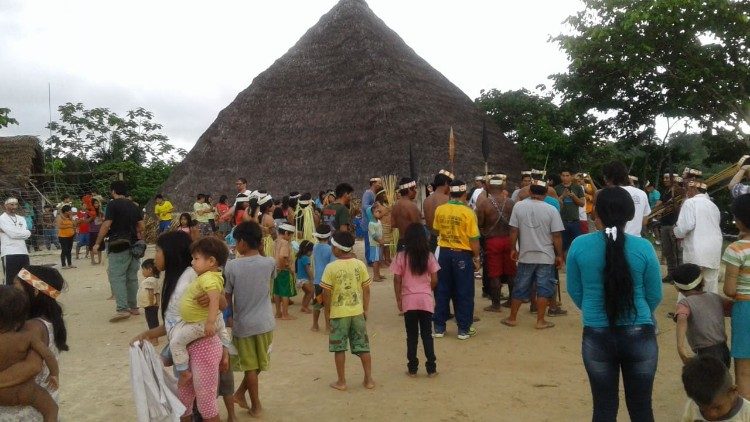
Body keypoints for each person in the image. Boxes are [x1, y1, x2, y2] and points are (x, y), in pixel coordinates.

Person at [566, 186, 662, 421]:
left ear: (595, 214)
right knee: (641, 409)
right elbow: (654, 295)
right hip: (640, 332)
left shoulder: (579, 245)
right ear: (630, 214)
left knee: (603, 408)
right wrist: (639, 313)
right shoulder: (644, 247)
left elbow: (575, 290)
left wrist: (592, 310)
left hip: (596, 334)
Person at [130, 231, 228, 422]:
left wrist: (224, 346)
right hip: (187, 347)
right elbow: (174, 322)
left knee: (205, 407)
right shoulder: (177, 280)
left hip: (202, 347)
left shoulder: (194, 277)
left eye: (157, 250)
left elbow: (218, 308)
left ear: (170, 252)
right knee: (184, 404)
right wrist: (146, 334)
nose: (155, 255)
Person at [0, 265, 69, 421]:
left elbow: (32, 366)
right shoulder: (49, 319)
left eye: (16, 287)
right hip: (41, 402)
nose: (12, 291)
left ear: (35, 291)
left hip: (23, 411)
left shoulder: (32, 327)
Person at [224, 221, 276, 418]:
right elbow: (270, 274)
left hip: (243, 324)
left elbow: (227, 296)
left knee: (250, 365)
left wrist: (228, 318)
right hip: (265, 322)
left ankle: (255, 404)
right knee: (259, 363)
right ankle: (243, 396)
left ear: (243, 242)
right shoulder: (269, 262)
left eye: (237, 241)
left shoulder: (232, 266)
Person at [501, 181, 564, 329]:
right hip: (546, 256)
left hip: (526, 255)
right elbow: (557, 236)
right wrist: (559, 255)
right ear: (546, 193)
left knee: (520, 286)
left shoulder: (519, 206)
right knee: (543, 288)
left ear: (530, 192)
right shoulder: (551, 209)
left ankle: (512, 318)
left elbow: (513, 230)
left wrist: (513, 248)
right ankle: (540, 321)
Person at [170, 237, 228, 389]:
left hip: (200, 324)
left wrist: (209, 322)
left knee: (176, 343)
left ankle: (183, 372)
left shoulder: (208, 278)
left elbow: (215, 299)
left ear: (211, 261)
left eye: (196, 259)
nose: (192, 262)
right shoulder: (207, 276)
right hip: (197, 322)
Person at [321, 231, 374, 391]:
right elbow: (366, 290)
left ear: (337, 249)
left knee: (339, 349)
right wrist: (365, 309)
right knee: (363, 347)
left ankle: (342, 381)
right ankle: (368, 379)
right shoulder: (360, 265)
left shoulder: (330, 268)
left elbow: (326, 294)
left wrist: (327, 316)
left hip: (338, 314)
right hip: (357, 312)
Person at [432, 180, 481, 340]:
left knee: (442, 289)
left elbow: (436, 229)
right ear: (464, 194)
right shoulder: (468, 212)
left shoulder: (440, 209)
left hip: (444, 253)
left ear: (449, 193)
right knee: (464, 291)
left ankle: (439, 327)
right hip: (462, 254)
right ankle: (464, 329)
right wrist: (476, 257)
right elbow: (474, 239)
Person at [391, 223, 439, 377]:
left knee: (411, 335)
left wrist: (399, 298)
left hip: (408, 300)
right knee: (427, 334)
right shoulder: (429, 256)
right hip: (425, 299)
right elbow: (435, 279)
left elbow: (397, 279)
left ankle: (412, 368)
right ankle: (431, 368)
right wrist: (426, 290)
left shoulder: (401, 256)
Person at [93, 181, 145, 323]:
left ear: (113, 191)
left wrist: (97, 242)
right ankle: (133, 307)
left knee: (116, 276)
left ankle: (122, 309)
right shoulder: (134, 206)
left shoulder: (112, 205)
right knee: (131, 277)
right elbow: (141, 226)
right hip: (134, 245)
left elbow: (107, 224)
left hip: (118, 244)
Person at [673, 263, 731, 367]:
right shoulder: (715, 297)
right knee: (723, 380)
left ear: (677, 288)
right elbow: (735, 309)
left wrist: (681, 348)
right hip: (724, 350)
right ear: (703, 281)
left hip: (705, 354)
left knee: (706, 382)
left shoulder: (684, 303)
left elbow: (681, 319)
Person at [674, 181, 723, 297]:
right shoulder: (713, 206)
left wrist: (676, 232)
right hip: (714, 248)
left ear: (693, 189)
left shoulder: (690, 202)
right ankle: (711, 309)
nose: (687, 192)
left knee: (689, 281)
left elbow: (686, 226)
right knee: (710, 282)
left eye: (688, 190)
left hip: (696, 248)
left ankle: (687, 309)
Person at [723, 193, 750, 398]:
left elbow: (730, 290)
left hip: (745, 310)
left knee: (744, 370)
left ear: (739, 221)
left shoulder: (736, 249)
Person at [476, 176, 515, 312]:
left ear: (488, 186)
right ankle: (511, 301)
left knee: (494, 273)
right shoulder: (510, 202)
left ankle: (496, 304)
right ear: (503, 187)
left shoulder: (484, 204)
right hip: (509, 239)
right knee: (511, 272)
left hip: (492, 241)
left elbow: (479, 224)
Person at [681, 355, 750, 422]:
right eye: (703, 408)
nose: (711, 414)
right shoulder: (693, 406)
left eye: (717, 407)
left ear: (733, 391)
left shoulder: (746, 412)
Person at [599, 161, 650, 237]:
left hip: (610, 239)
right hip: (635, 240)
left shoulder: (604, 194)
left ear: (607, 177)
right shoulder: (642, 193)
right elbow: (645, 221)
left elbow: (597, 220)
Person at [659, 173, 685, 283]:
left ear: (673, 179)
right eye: (664, 178)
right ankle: (671, 274)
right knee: (668, 251)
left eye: (667, 178)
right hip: (664, 223)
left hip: (674, 224)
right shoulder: (666, 192)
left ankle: (679, 275)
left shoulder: (679, 190)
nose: (664, 180)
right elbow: (659, 204)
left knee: (677, 251)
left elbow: (679, 206)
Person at [0, 197, 31, 285]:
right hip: (9, 253)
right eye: (11, 204)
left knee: (26, 280)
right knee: (10, 280)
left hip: (23, 252)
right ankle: (8, 299)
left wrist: (25, 233)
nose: (14, 206)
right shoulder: (2, 218)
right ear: (5, 206)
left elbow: (27, 234)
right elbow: (12, 234)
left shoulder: (21, 218)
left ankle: (24, 298)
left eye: (16, 204)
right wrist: (24, 233)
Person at [555, 170, 585, 253]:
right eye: (563, 175)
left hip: (575, 221)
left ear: (571, 176)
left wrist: (574, 197)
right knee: (562, 246)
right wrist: (563, 196)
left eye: (567, 175)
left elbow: (582, 204)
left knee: (577, 245)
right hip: (562, 221)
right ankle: (563, 264)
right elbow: (554, 205)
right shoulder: (557, 188)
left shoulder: (577, 187)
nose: (565, 177)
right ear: (560, 176)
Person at [312, 224, 335, 332]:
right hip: (327, 281)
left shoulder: (315, 247)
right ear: (329, 236)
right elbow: (332, 265)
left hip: (317, 280)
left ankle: (315, 325)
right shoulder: (330, 249)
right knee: (327, 305)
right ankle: (327, 326)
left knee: (317, 304)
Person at [423, 170, 453, 252]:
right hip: (445, 240)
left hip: (432, 239)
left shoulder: (426, 201)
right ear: (446, 184)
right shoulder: (448, 200)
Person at [390, 178, 422, 251]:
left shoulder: (395, 206)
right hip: (412, 243)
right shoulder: (411, 206)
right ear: (409, 190)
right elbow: (418, 227)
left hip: (401, 243)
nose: (416, 191)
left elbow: (393, 224)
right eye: (414, 189)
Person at [273, 223, 296, 320]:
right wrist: (286, 267)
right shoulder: (285, 243)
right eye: (291, 235)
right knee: (285, 292)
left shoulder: (276, 241)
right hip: (283, 270)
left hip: (276, 269)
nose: (291, 238)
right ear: (286, 233)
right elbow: (282, 256)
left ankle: (278, 312)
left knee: (277, 292)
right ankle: (285, 314)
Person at [137, 259, 162, 338]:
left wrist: (151, 303)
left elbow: (151, 292)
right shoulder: (153, 280)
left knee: (152, 322)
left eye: (143, 269)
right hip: (151, 305)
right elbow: (157, 293)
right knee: (153, 321)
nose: (142, 272)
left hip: (150, 305)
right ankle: (154, 337)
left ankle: (154, 338)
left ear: (150, 270)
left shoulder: (150, 280)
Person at [362, 177, 382, 265]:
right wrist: (375, 209)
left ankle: (374, 260)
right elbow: (364, 206)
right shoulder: (368, 193)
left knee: (373, 242)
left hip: (373, 222)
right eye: (379, 183)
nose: (380, 185)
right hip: (368, 222)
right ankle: (370, 261)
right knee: (369, 242)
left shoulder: (374, 193)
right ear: (373, 183)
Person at [296, 240, 314, 314]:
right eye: (311, 251)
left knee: (307, 293)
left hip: (299, 279)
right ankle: (305, 307)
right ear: (307, 250)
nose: (312, 253)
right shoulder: (306, 258)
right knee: (311, 292)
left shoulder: (299, 257)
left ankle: (303, 306)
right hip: (304, 279)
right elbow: (308, 270)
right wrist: (312, 278)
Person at [55, 205, 76, 269]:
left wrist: (71, 218)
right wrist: (69, 226)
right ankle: (63, 265)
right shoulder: (59, 217)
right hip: (63, 236)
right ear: (65, 212)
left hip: (71, 235)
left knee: (69, 250)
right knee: (64, 250)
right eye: (69, 211)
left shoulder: (70, 217)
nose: (70, 212)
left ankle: (70, 264)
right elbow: (59, 226)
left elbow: (74, 224)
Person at [368, 203, 385, 281]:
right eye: (376, 212)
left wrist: (382, 240)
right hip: (374, 245)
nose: (379, 213)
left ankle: (378, 274)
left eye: (379, 211)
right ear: (372, 213)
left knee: (378, 260)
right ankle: (375, 276)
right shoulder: (371, 224)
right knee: (375, 261)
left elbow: (381, 231)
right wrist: (380, 241)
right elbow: (374, 235)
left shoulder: (378, 221)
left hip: (379, 244)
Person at [87, 198, 105, 265]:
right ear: (92, 204)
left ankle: (100, 260)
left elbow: (104, 220)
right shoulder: (89, 212)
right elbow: (87, 221)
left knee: (100, 246)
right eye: (95, 203)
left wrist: (102, 219)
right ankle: (93, 260)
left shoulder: (101, 212)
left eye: (97, 203)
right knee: (92, 246)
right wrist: (92, 217)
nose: (96, 204)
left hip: (100, 231)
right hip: (92, 231)